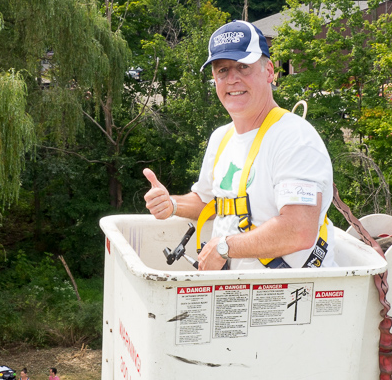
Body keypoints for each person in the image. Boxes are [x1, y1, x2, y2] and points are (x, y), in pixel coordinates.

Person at [143, 20, 336, 272]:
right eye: (222, 70)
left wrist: (224, 247)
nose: (232, 79)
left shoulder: (294, 138)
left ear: (269, 72)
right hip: (238, 295)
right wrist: (172, 205)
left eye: (243, 67)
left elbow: (298, 230)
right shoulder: (221, 138)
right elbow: (209, 201)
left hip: (287, 296)